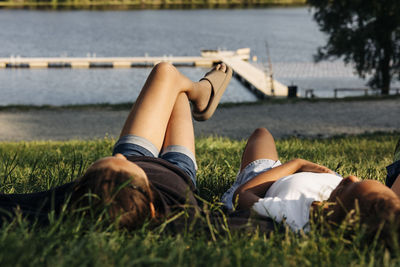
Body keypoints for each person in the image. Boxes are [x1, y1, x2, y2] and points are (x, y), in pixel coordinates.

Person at [0, 62, 233, 229]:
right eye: (121, 162)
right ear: (153, 208)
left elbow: (11, 206)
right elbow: (248, 224)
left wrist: (129, 160)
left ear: (76, 191)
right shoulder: (180, 215)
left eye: (112, 159)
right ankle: (201, 91)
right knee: (174, 85)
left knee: (167, 75)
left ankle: (201, 93)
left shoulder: (73, 199)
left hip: (136, 154)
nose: (119, 158)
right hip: (178, 169)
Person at [221, 128, 400, 244]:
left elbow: (242, 195)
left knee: (262, 134)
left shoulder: (289, 217)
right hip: (312, 178)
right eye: (360, 181)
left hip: (266, 178)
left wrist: (296, 164)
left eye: (347, 185)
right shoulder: (346, 209)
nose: (351, 177)